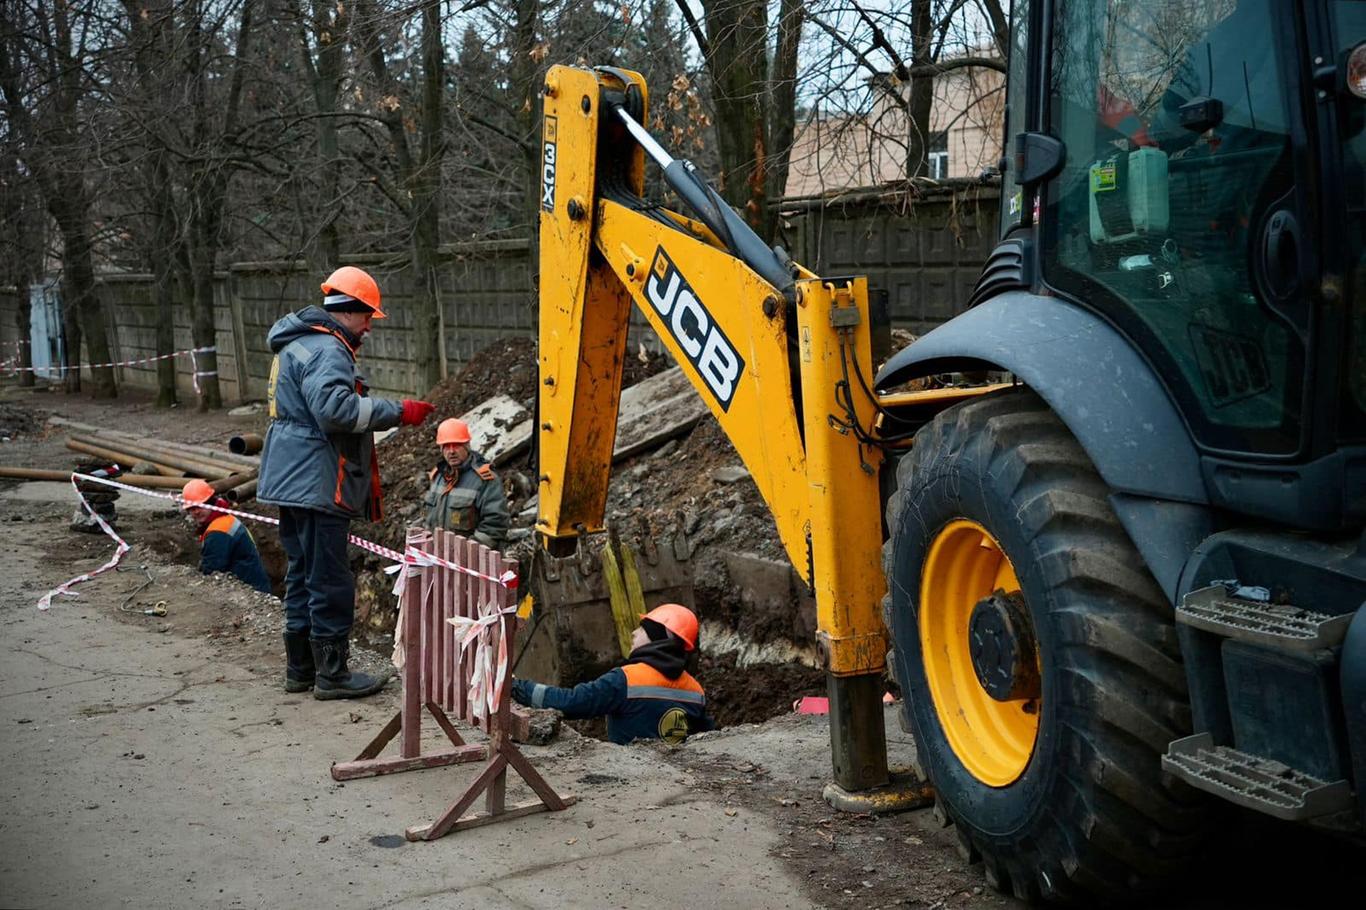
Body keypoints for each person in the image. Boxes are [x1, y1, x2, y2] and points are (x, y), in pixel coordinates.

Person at [257, 266, 436, 698]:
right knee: (330, 578)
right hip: (318, 479)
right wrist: (398, 411)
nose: (370, 327)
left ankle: (300, 669)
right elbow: (335, 411)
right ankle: (332, 674)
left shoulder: (297, 342)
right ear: (349, 311)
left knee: (302, 572)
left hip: (289, 475)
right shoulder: (328, 350)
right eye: (368, 316)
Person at [511, 603, 714, 745]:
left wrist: (518, 688)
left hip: (631, 782)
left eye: (643, 630)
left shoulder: (626, 680)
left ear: (657, 639)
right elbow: (707, 738)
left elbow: (570, 702)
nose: (634, 633)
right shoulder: (695, 690)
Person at [422, 418, 511, 549]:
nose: (451, 451)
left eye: (456, 445)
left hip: (473, 562)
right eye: (446, 446)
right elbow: (428, 519)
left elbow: (495, 524)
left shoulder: (485, 480)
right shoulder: (438, 476)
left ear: (467, 445)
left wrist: (468, 552)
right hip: (439, 557)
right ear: (441, 449)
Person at [181, 478, 271, 595]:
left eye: (200, 506)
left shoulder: (218, 531)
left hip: (249, 592)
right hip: (255, 585)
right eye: (192, 509)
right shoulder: (224, 518)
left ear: (211, 503)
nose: (196, 512)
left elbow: (212, 571)